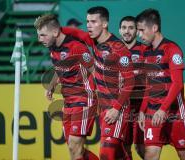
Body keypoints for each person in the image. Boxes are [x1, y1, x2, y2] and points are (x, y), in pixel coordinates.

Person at [61, 6, 135, 160]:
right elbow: (76, 33)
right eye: (87, 21)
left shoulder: (119, 49)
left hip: (118, 108)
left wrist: (116, 108)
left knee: (106, 154)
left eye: (93, 21)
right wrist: (55, 29)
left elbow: (130, 82)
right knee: (118, 154)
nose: (89, 25)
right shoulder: (93, 41)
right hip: (102, 107)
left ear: (104, 24)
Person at [34, 14, 98, 160]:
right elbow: (59, 67)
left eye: (43, 35)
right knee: (73, 149)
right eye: (39, 35)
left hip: (84, 100)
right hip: (68, 101)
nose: (40, 39)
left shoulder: (77, 47)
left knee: (75, 147)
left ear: (55, 32)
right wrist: (51, 85)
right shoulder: (53, 48)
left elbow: (95, 72)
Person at [136, 9, 185, 160]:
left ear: (154, 28)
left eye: (142, 30)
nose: (139, 35)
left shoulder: (172, 49)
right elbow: (149, 85)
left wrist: (163, 109)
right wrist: (143, 110)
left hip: (175, 113)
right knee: (150, 154)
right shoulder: (146, 52)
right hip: (152, 113)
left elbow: (178, 84)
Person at [119, 16, 145, 159]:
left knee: (142, 149)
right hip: (122, 107)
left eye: (130, 28)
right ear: (119, 30)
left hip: (141, 106)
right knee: (124, 148)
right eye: (124, 28)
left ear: (136, 31)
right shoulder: (113, 50)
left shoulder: (144, 50)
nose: (127, 31)